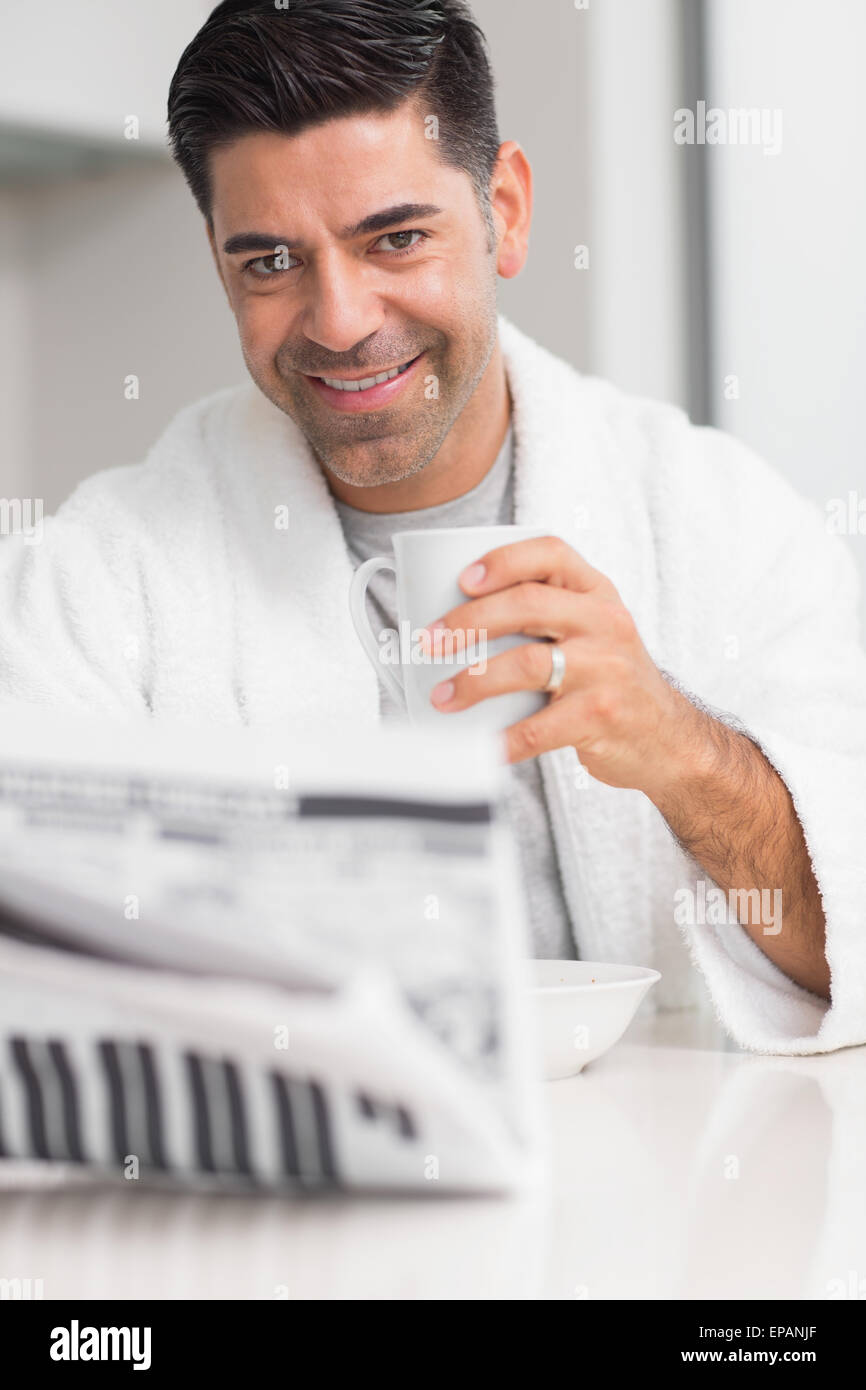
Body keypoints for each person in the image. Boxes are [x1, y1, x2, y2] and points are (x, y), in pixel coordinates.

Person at [1, 0, 864, 1055]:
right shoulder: (102, 581)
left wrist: (682, 750)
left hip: (682, 1195)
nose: (340, 319)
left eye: (394, 238)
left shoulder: (719, 520)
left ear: (503, 207)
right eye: (269, 261)